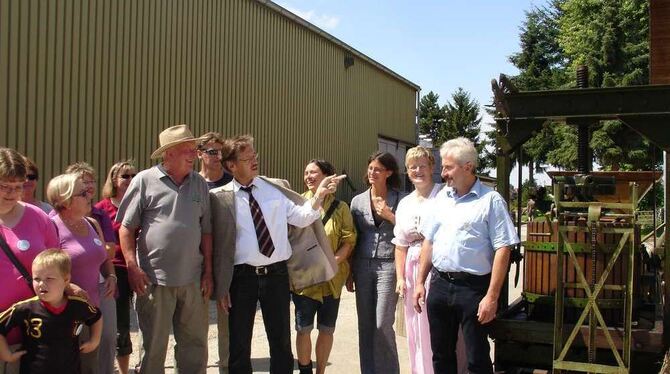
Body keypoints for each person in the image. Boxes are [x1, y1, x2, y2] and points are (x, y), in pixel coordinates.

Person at [210, 135, 342, 374]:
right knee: (239, 344)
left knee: (280, 342)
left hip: (277, 275)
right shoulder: (220, 198)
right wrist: (221, 286)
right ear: (231, 165)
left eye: (254, 156)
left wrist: (320, 195)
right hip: (241, 279)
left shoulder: (273, 188)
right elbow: (218, 248)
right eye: (247, 158)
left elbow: (302, 217)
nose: (254, 161)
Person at [413, 137, 519, 374]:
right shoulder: (442, 198)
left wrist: (491, 297)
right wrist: (420, 282)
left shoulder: (490, 201)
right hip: (439, 285)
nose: (443, 173)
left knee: (477, 358)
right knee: (441, 355)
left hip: (473, 289)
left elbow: (503, 249)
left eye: (448, 167)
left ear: (468, 167)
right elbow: (429, 241)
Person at [116, 124, 212, 374]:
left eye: (195, 149)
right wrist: (132, 267)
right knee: (153, 349)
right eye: (187, 150)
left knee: (195, 347)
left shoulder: (199, 183)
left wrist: (208, 271)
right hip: (153, 280)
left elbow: (206, 231)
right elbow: (126, 228)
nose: (194, 154)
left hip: (192, 280)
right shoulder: (144, 181)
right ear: (168, 153)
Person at [48, 173, 117, 374]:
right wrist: (69, 287)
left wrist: (111, 276)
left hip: (92, 308)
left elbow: (105, 258)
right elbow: (48, 269)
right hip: (66, 311)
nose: (90, 196)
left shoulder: (92, 223)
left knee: (90, 362)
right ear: (66, 200)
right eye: (83, 193)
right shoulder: (52, 226)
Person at [292, 160, 357, 374]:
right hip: (305, 280)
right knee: (303, 330)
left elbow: (349, 240)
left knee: (326, 330)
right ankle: (304, 370)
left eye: (314, 172)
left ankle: (320, 371)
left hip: (331, 280)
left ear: (329, 177)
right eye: (306, 173)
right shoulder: (298, 204)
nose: (309, 176)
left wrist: (332, 263)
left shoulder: (341, 208)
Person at [0, 148, 59, 374]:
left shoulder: (38, 217)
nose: (12, 193)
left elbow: (57, 264)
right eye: (5, 185)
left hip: (35, 333)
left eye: (18, 186)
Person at [0, 249, 102, 374]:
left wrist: (94, 341)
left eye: (49, 278)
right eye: (36, 279)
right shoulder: (26, 308)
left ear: (66, 280)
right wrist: (6, 354)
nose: (41, 284)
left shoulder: (78, 306)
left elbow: (96, 316)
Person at [350, 151, 404, 374]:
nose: (372, 172)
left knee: (382, 323)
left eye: (378, 169)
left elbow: (412, 231)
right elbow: (353, 237)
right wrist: (349, 273)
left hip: (389, 264)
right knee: (365, 324)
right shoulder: (357, 201)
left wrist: (392, 217)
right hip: (363, 265)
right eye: (370, 168)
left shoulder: (402, 199)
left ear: (389, 172)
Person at [392, 146, 442, 374]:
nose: (418, 170)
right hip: (412, 271)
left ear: (432, 167)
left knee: (437, 326)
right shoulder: (405, 203)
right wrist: (400, 277)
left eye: (423, 165)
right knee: (415, 327)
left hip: (438, 267)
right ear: (406, 171)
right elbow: (400, 245)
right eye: (413, 167)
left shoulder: (444, 195)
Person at [95, 160, 136, 374]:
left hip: (138, 268)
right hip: (116, 269)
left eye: (132, 175)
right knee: (121, 325)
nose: (129, 180)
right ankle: (122, 370)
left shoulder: (140, 203)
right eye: (125, 176)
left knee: (147, 318)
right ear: (114, 179)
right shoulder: (102, 209)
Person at [197, 132, 233, 374]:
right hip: (195, 263)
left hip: (226, 263)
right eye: (211, 152)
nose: (217, 157)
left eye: (220, 152)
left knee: (227, 326)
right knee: (194, 327)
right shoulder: (192, 184)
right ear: (199, 154)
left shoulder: (232, 183)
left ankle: (226, 368)